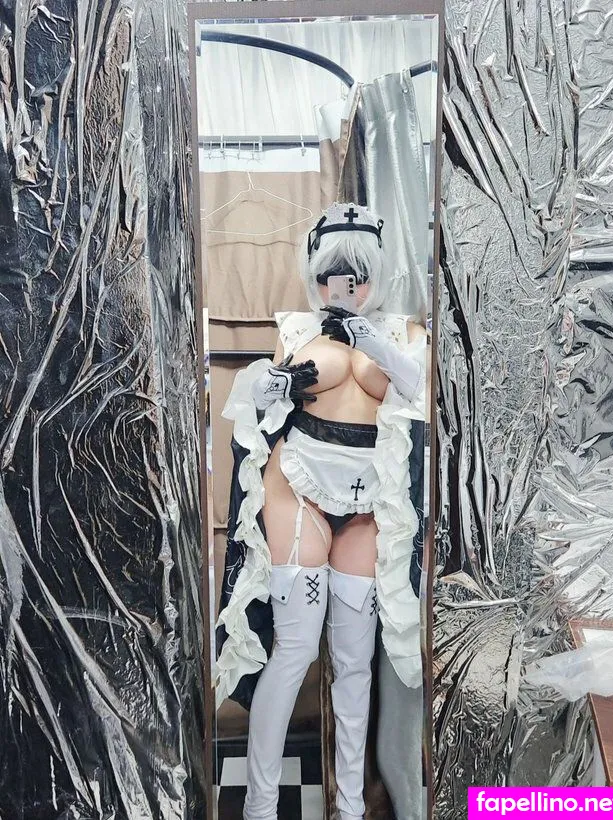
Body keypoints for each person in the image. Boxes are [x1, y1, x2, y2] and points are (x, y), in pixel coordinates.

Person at [216, 203, 426, 820]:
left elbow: (419, 390)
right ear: (316, 275)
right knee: (296, 649)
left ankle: (350, 807)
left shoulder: (405, 333)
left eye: (358, 275)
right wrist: (275, 384)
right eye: (335, 274)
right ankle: (259, 806)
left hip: (367, 500)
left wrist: (375, 344)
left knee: (356, 663)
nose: (347, 288)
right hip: (299, 487)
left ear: (376, 274)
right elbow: (254, 402)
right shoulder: (297, 329)